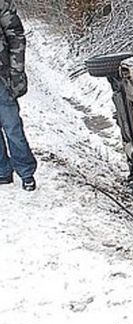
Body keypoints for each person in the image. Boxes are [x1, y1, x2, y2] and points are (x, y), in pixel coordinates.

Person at [0, 0, 36, 191]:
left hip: (2, 77)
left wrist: (16, 72)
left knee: (12, 127)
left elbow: (16, 36)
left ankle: (26, 172)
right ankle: (3, 172)